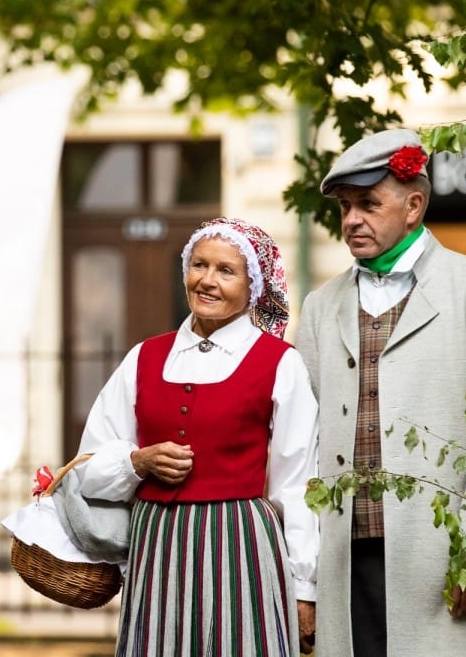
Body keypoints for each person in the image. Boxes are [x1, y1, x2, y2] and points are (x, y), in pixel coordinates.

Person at [295, 128, 466, 656]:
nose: (352, 219)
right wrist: (302, 577)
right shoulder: (320, 306)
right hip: (344, 558)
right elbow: (302, 447)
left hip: (446, 560)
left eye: (368, 204)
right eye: (345, 206)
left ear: (414, 205)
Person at [75, 216, 319, 656]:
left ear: (253, 286)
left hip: (241, 546)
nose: (207, 280)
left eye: (226, 271)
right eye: (199, 265)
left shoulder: (281, 363)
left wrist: (305, 588)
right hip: (157, 547)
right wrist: (137, 462)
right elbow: (86, 470)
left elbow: (298, 483)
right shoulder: (143, 358)